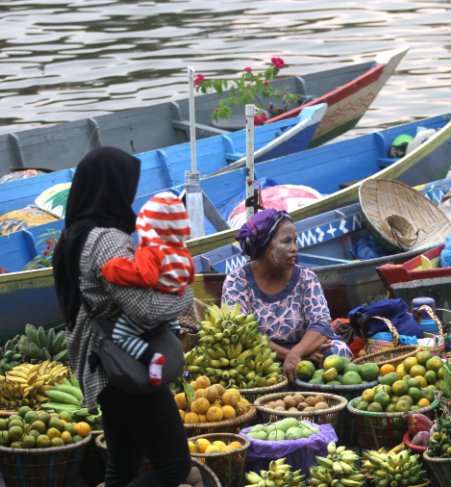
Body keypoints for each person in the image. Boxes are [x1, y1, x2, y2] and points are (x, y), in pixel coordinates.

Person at [52, 147, 192, 486]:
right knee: (173, 466)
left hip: (102, 367)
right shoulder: (107, 240)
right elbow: (143, 308)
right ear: (114, 187)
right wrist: (185, 289)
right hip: (130, 366)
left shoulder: (73, 237)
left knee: (123, 466)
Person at [221, 208, 353, 382]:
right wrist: (289, 356)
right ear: (265, 246)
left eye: (295, 241)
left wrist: (297, 353)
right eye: (286, 242)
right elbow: (243, 333)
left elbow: (321, 324)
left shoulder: (306, 278)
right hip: (263, 355)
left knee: (338, 351)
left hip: (306, 349)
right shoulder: (237, 281)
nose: (294, 249)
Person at [101, 191, 195, 386]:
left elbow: (145, 275)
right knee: (170, 321)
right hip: (173, 304)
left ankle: (151, 358)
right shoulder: (181, 250)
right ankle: (174, 334)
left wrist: (114, 268)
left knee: (121, 334)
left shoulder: (151, 250)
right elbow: (190, 276)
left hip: (153, 309)